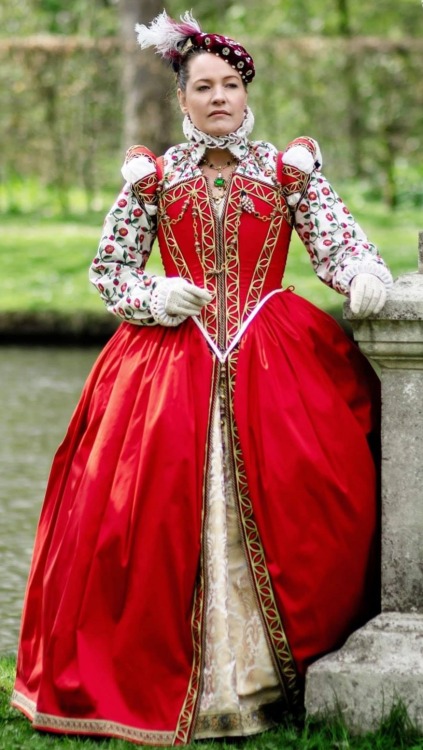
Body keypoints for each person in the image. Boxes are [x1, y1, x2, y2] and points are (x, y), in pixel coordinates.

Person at [12, 10, 393, 746]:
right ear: (181, 99)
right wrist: (153, 295)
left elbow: (335, 236)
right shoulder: (153, 180)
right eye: (202, 87)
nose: (218, 97)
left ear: (246, 94)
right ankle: (171, 674)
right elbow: (109, 270)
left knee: (313, 487)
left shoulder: (287, 172)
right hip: (168, 364)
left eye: (229, 85)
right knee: (139, 514)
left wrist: (360, 272)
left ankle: (263, 678)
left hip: (271, 352)